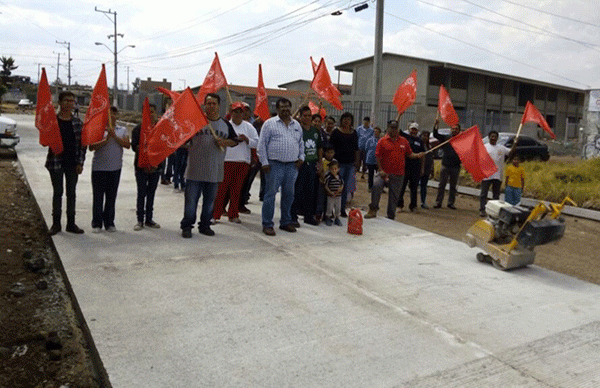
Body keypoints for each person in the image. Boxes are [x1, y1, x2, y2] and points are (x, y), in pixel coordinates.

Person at [180, 93, 238, 238]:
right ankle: (187, 226)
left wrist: (225, 142)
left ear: (219, 106)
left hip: (214, 171)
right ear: (204, 105)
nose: (211, 106)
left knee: (209, 203)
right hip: (194, 171)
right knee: (191, 202)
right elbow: (184, 140)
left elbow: (235, 141)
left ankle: (205, 225)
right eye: (209, 103)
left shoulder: (225, 124)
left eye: (214, 104)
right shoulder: (196, 122)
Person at [257, 97, 304, 236]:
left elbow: (301, 143)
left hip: (292, 166)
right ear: (277, 109)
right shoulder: (269, 124)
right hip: (274, 165)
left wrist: (301, 158)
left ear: (290, 108)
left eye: (287, 107)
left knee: (289, 195)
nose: (285, 110)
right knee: (270, 195)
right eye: (282, 107)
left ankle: (285, 222)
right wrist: (264, 162)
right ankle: (267, 224)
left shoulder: (297, 125)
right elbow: (261, 145)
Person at [45, 91, 87, 235]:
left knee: (71, 193)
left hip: (72, 164)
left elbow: (82, 145)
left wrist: (80, 163)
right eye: (66, 101)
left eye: (72, 101)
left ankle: (71, 223)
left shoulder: (77, 123)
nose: (69, 104)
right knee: (58, 193)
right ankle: (56, 224)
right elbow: (45, 141)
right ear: (60, 103)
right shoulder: (53, 122)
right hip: (55, 162)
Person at [365, 120, 423, 220]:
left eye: (396, 127)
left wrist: (418, 155)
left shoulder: (404, 141)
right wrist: (380, 170)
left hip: (398, 173)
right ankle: (373, 209)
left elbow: (409, 154)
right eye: (391, 127)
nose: (394, 129)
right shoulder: (382, 141)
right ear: (388, 128)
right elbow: (378, 156)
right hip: (384, 172)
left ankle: (391, 215)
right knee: (376, 186)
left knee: (394, 196)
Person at [212, 102, 259, 224]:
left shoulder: (249, 127)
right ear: (230, 113)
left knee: (236, 190)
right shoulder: (225, 125)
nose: (237, 114)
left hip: (243, 162)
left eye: (240, 112)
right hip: (226, 160)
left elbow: (257, 142)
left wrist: (247, 139)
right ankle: (215, 214)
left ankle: (233, 214)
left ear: (243, 113)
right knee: (222, 189)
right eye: (235, 112)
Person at [89, 106, 130, 232]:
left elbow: (127, 145)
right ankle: (96, 223)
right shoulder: (98, 129)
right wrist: (105, 140)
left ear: (117, 115)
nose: (111, 115)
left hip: (115, 168)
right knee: (98, 197)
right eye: (109, 113)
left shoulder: (122, 130)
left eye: (114, 113)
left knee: (111, 197)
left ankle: (109, 223)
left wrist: (114, 136)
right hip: (99, 168)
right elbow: (91, 147)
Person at [131, 103, 163, 231]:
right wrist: (145, 152)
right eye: (147, 112)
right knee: (141, 193)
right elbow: (134, 147)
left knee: (151, 194)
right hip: (141, 168)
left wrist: (154, 162)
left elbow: (163, 148)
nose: (150, 114)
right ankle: (140, 220)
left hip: (156, 168)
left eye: (152, 112)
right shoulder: (138, 129)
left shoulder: (160, 129)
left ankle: (149, 219)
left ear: (156, 113)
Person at [291, 105, 323, 226]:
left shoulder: (315, 131)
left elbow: (319, 147)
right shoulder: (296, 129)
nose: (308, 118)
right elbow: (289, 120)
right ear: (300, 117)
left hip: (312, 164)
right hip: (300, 164)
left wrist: (320, 163)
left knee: (310, 192)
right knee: (297, 191)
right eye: (305, 116)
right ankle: (293, 216)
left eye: (310, 115)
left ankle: (308, 216)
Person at [329, 112, 360, 217]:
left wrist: (357, 162)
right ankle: (332, 209)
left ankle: (342, 209)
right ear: (341, 120)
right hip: (338, 164)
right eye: (345, 119)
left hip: (350, 164)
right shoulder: (336, 133)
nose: (346, 121)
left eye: (349, 119)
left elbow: (356, 149)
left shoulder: (354, 133)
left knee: (345, 188)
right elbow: (331, 148)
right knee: (335, 187)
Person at [479, 130, 513, 216]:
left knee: (496, 195)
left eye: (495, 137)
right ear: (489, 137)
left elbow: (510, 152)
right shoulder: (484, 147)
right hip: (486, 175)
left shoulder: (501, 148)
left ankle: (494, 211)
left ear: (497, 138)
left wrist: (515, 144)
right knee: (484, 194)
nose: (493, 138)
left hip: (497, 175)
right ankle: (482, 209)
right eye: (492, 136)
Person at [433, 120, 462, 209]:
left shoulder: (461, 140)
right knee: (442, 185)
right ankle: (438, 202)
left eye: (456, 129)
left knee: (453, 186)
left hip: (456, 167)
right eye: (453, 129)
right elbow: (435, 135)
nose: (454, 130)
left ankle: (451, 203)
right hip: (445, 165)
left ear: (459, 130)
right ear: (450, 130)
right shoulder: (446, 138)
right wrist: (436, 125)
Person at [398, 122, 426, 212]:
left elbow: (423, 156)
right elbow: (397, 129)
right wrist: (399, 116)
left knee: (414, 188)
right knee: (402, 187)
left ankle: (413, 206)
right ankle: (399, 205)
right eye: (412, 129)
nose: (413, 131)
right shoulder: (405, 138)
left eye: (415, 129)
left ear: (417, 130)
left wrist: (422, 168)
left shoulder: (420, 141)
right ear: (409, 129)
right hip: (405, 166)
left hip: (416, 168)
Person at [324, 159, 344, 226]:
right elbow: (326, 186)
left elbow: (342, 184)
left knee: (338, 207)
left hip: (338, 196)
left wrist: (340, 189)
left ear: (338, 169)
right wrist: (330, 192)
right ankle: (328, 218)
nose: (334, 170)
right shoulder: (329, 177)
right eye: (332, 169)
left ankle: (337, 218)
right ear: (329, 169)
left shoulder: (339, 177)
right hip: (331, 196)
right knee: (329, 207)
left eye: (335, 169)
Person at [419, 130, 434, 208]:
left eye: (427, 136)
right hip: (418, 169)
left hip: (427, 169)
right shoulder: (418, 145)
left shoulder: (429, 146)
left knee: (424, 186)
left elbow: (431, 158)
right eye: (424, 135)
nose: (425, 137)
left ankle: (423, 201)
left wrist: (432, 169)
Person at [363, 126, 381, 191]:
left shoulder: (381, 140)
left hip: (378, 161)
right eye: (375, 131)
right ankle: (370, 187)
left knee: (379, 175)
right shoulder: (370, 140)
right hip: (370, 160)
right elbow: (366, 148)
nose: (376, 133)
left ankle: (379, 187)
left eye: (377, 132)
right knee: (371, 174)